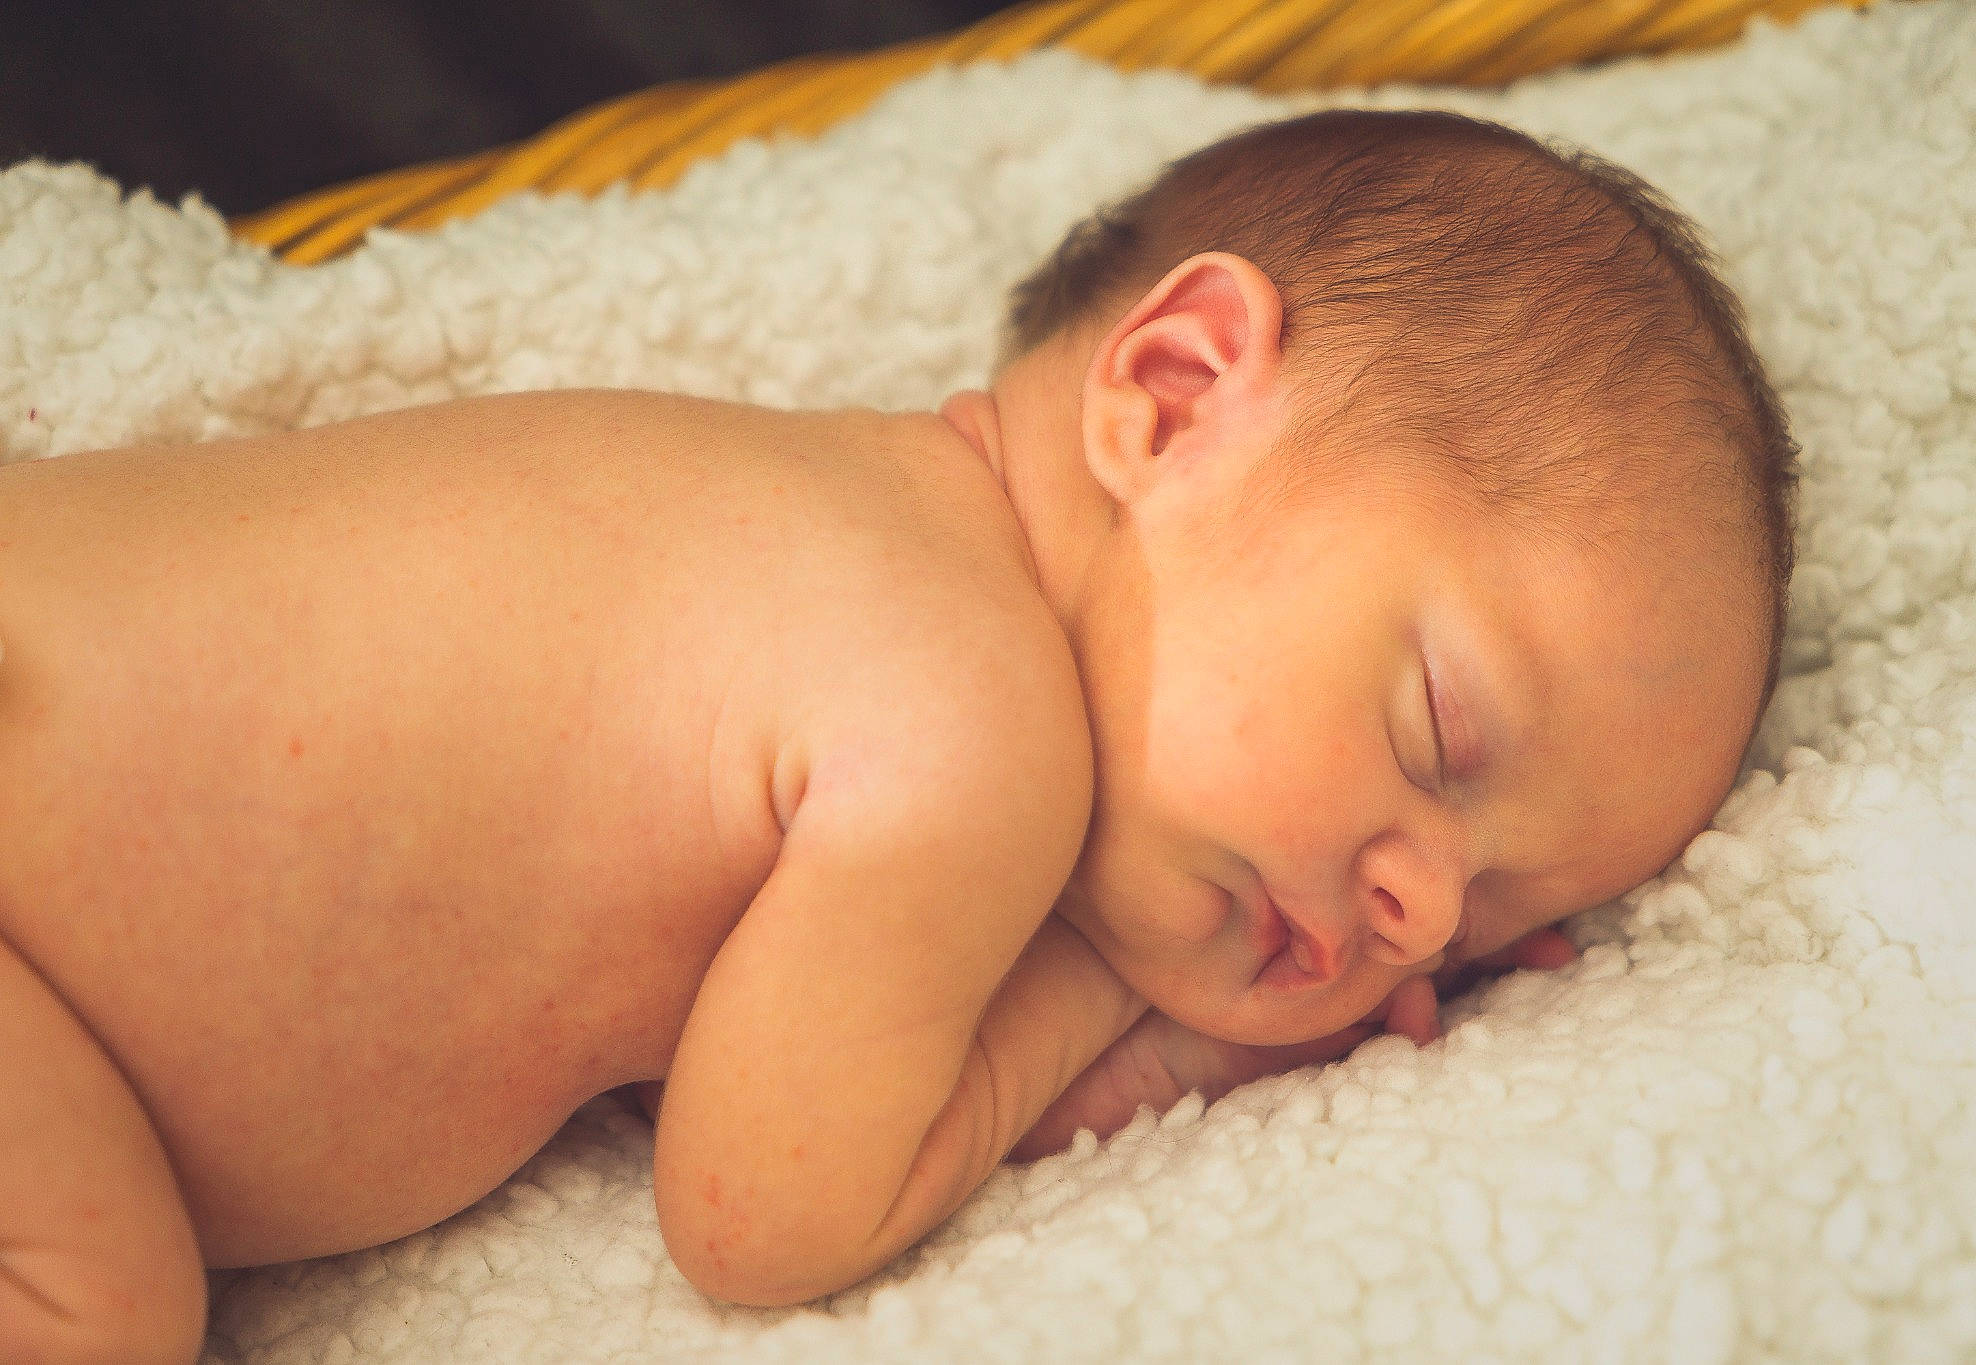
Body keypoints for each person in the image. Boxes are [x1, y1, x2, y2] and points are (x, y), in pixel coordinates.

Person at [0, 107, 1794, 1361]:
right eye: (1437, 730)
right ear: (1173, 398)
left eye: (1486, 920)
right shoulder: (965, 710)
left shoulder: (815, 532)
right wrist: (1154, 1020)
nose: (1417, 912)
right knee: (102, 1313)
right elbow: (761, 1211)